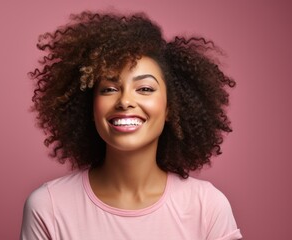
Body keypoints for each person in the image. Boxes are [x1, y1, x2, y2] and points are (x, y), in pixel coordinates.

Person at [21, 11, 242, 240]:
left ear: (170, 108)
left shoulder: (207, 207)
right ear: (90, 107)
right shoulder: (49, 207)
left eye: (145, 89)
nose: (125, 101)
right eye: (109, 89)